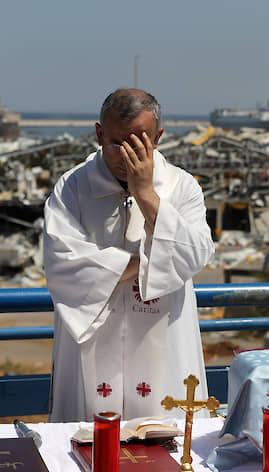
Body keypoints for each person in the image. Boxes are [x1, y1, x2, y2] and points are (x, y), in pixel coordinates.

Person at [42, 88, 215, 422]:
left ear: (158, 137)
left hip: (164, 335)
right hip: (92, 336)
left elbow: (194, 255)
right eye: (117, 143)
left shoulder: (182, 188)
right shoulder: (73, 188)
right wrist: (146, 263)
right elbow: (64, 261)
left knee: (163, 441)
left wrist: (147, 195)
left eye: (140, 143)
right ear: (98, 134)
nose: (127, 157)